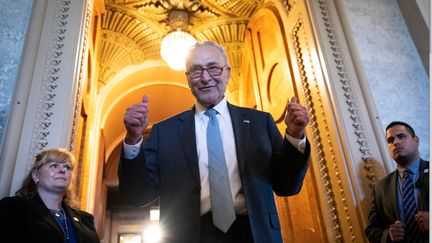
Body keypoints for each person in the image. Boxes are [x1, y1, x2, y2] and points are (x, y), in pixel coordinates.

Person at [118, 41, 311, 243]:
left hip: (254, 233)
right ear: (187, 79)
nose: (205, 77)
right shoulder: (164, 132)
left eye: (213, 68)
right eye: (196, 70)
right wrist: (133, 138)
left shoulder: (260, 122)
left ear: (227, 73)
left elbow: (287, 185)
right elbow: (137, 195)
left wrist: (295, 135)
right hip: (190, 236)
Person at [0, 148, 100, 243]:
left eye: (67, 167)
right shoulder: (15, 208)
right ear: (36, 176)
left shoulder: (86, 219)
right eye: (54, 165)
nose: (62, 170)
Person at [365, 121, 429, 243]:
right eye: (390, 141)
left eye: (401, 136)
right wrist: (388, 236)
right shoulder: (380, 188)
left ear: (416, 141)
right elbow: (371, 231)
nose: (396, 142)